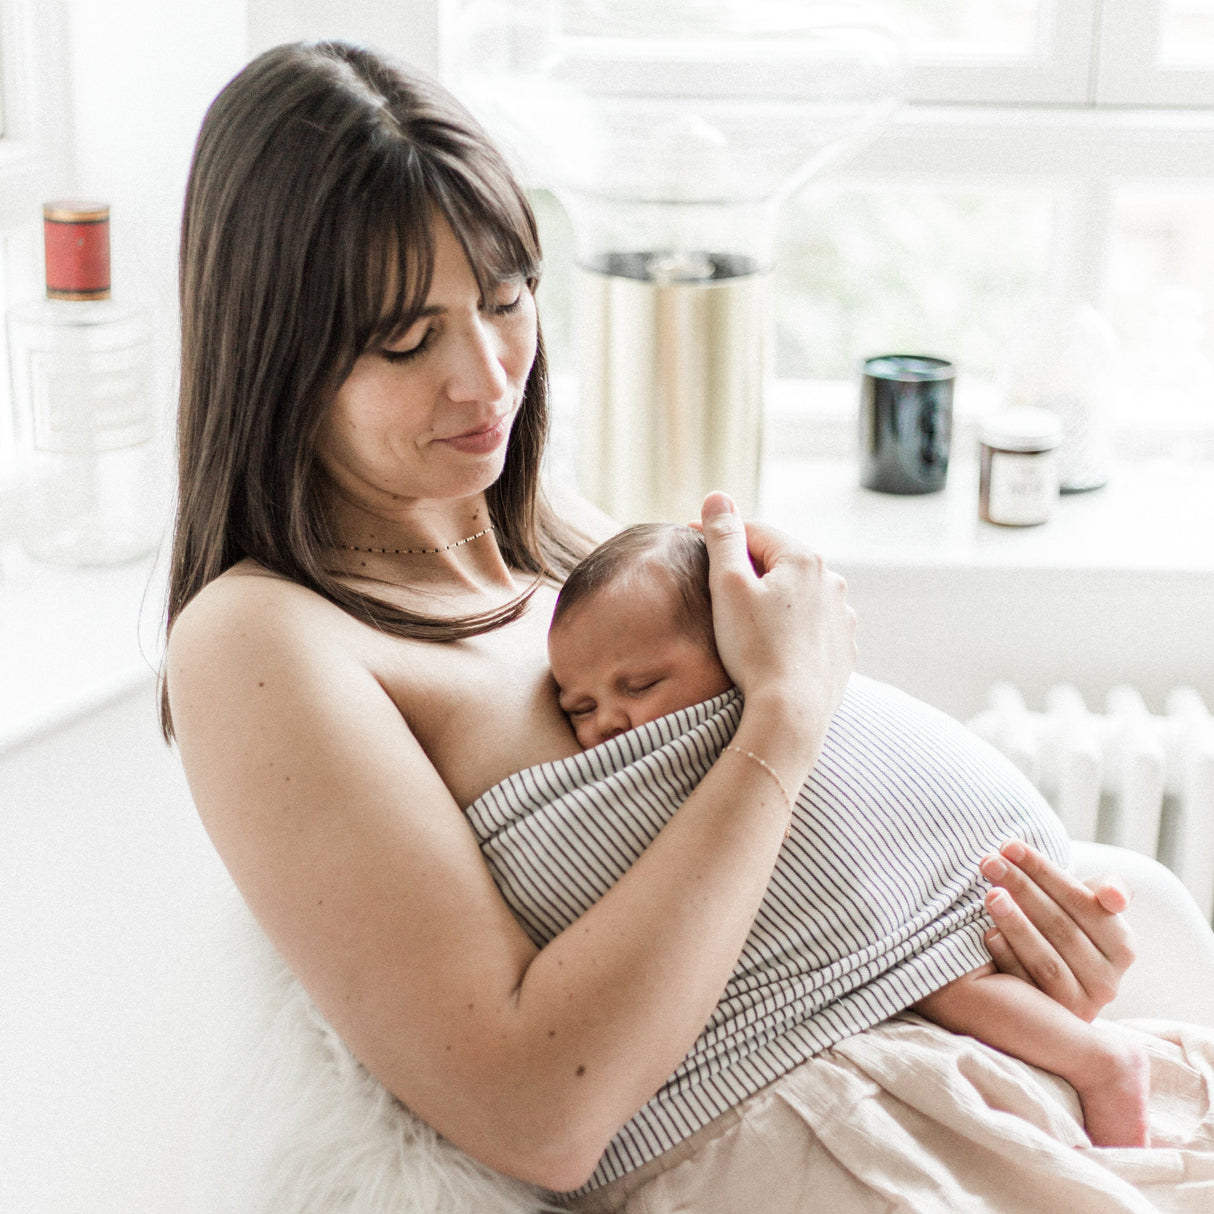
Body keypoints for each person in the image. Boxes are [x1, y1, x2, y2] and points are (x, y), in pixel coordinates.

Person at [161, 40, 1204, 1213]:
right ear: (277, 357)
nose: (487, 377)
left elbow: (787, 878)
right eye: (408, 340)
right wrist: (783, 714)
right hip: (832, 1151)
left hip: (974, 1077)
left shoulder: (550, 531)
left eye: (506, 300)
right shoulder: (256, 640)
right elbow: (536, 1108)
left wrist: (1004, 941)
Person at [546, 522, 1150, 1149]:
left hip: (949, 896)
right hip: (888, 922)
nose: (609, 723)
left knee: (948, 985)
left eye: (639, 686)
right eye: (579, 708)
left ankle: (1105, 1067)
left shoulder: (765, 710)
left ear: (736, 646)